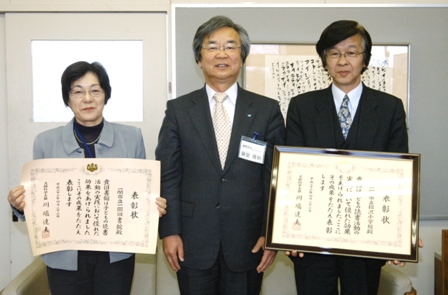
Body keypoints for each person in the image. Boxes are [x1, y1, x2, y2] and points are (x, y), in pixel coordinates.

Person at [285, 20, 421, 295]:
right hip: (313, 240)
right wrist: (287, 229)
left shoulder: (389, 108)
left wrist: (402, 232)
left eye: (352, 52)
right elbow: (292, 174)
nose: (342, 60)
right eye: (334, 53)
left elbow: (398, 177)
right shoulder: (302, 106)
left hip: (366, 237)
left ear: (365, 58)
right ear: (324, 60)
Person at [7, 61, 167, 295]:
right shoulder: (45, 142)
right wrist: (19, 205)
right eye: (78, 91)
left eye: (95, 90)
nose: (88, 98)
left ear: (105, 95)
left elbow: (138, 194)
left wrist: (152, 206)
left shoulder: (131, 138)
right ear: (67, 98)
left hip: (116, 256)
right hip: (63, 257)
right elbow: (42, 201)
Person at [156, 15, 285, 295]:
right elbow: (168, 174)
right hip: (191, 242)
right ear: (199, 59)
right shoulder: (178, 111)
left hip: (249, 241)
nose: (222, 54)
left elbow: (275, 177)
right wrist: (169, 231)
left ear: (242, 56)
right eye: (212, 46)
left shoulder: (267, 110)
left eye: (231, 46)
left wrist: (272, 234)